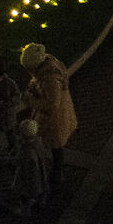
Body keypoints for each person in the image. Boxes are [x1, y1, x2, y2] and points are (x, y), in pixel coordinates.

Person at [19, 42, 77, 192]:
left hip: (55, 119)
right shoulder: (47, 70)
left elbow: (51, 105)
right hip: (57, 116)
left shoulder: (50, 79)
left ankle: (57, 173)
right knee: (56, 145)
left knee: (56, 145)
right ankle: (57, 171)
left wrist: (30, 100)